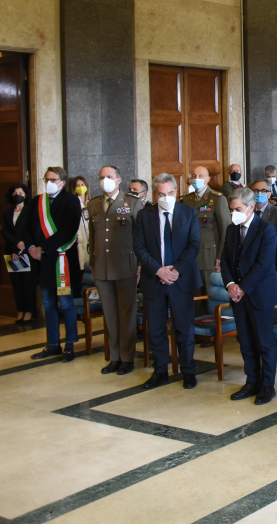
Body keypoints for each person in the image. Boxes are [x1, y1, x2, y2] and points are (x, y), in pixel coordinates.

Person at [133, 173, 202, 389]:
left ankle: (188, 371)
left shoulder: (188, 212)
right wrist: (158, 270)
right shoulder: (145, 215)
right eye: (161, 194)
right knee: (155, 329)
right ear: (155, 195)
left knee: (184, 329)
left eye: (170, 193)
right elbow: (139, 248)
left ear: (176, 191)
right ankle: (160, 370)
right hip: (154, 280)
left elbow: (194, 245)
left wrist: (175, 270)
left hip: (180, 280)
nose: (166, 197)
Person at [221, 187, 277, 405]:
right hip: (238, 296)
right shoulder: (231, 229)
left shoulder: (266, 230)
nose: (233, 213)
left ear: (251, 207)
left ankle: (267, 385)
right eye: (231, 209)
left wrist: (242, 287)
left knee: (264, 342)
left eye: (238, 209)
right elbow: (225, 260)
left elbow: (263, 264)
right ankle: (252, 381)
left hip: (259, 295)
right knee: (245, 342)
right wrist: (230, 284)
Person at [87, 166, 142, 375]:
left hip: (125, 266)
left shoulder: (132, 203)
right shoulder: (93, 204)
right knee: (109, 314)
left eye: (109, 177)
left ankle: (127, 358)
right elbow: (93, 238)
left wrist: (139, 266)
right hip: (102, 267)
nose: (105, 180)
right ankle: (114, 356)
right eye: (101, 177)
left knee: (126, 314)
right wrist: (93, 262)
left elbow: (139, 237)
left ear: (118, 180)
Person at [29, 167, 83, 361]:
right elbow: (28, 226)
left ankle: (69, 345)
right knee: (48, 303)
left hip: (63, 262)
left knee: (66, 303)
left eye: (52, 179)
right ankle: (52, 345)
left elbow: (68, 231)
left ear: (62, 181)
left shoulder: (71, 201)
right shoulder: (38, 201)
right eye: (46, 179)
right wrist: (31, 247)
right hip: (43, 263)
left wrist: (42, 248)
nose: (48, 183)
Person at [182, 166, 230, 315]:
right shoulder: (187, 199)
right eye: (194, 175)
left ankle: (213, 330)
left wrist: (220, 257)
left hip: (209, 254)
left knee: (210, 295)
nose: (197, 178)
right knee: (194, 296)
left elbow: (226, 230)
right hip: (190, 256)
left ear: (208, 179)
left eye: (201, 175)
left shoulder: (217, 198)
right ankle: (198, 330)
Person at [2, 183, 35, 324]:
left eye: (20, 193)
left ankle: (28, 311)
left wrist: (22, 245)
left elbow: (31, 230)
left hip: (26, 251)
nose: (18, 196)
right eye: (15, 194)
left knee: (27, 283)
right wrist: (15, 244)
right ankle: (20, 310)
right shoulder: (8, 212)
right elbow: (5, 231)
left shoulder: (30, 210)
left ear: (25, 194)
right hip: (13, 251)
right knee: (16, 283)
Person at [250, 179, 277, 279]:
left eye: (263, 191)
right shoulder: (249, 213)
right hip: (250, 267)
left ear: (269, 194)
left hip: (270, 267)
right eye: (256, 191)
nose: (259, 193)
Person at [70, 176, 91, 270]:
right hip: (80, 237)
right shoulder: (73, 202)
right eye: (77, 185)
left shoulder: (90, 202)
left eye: (82, 185)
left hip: (91, 236)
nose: (80, 187)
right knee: (81, 263)